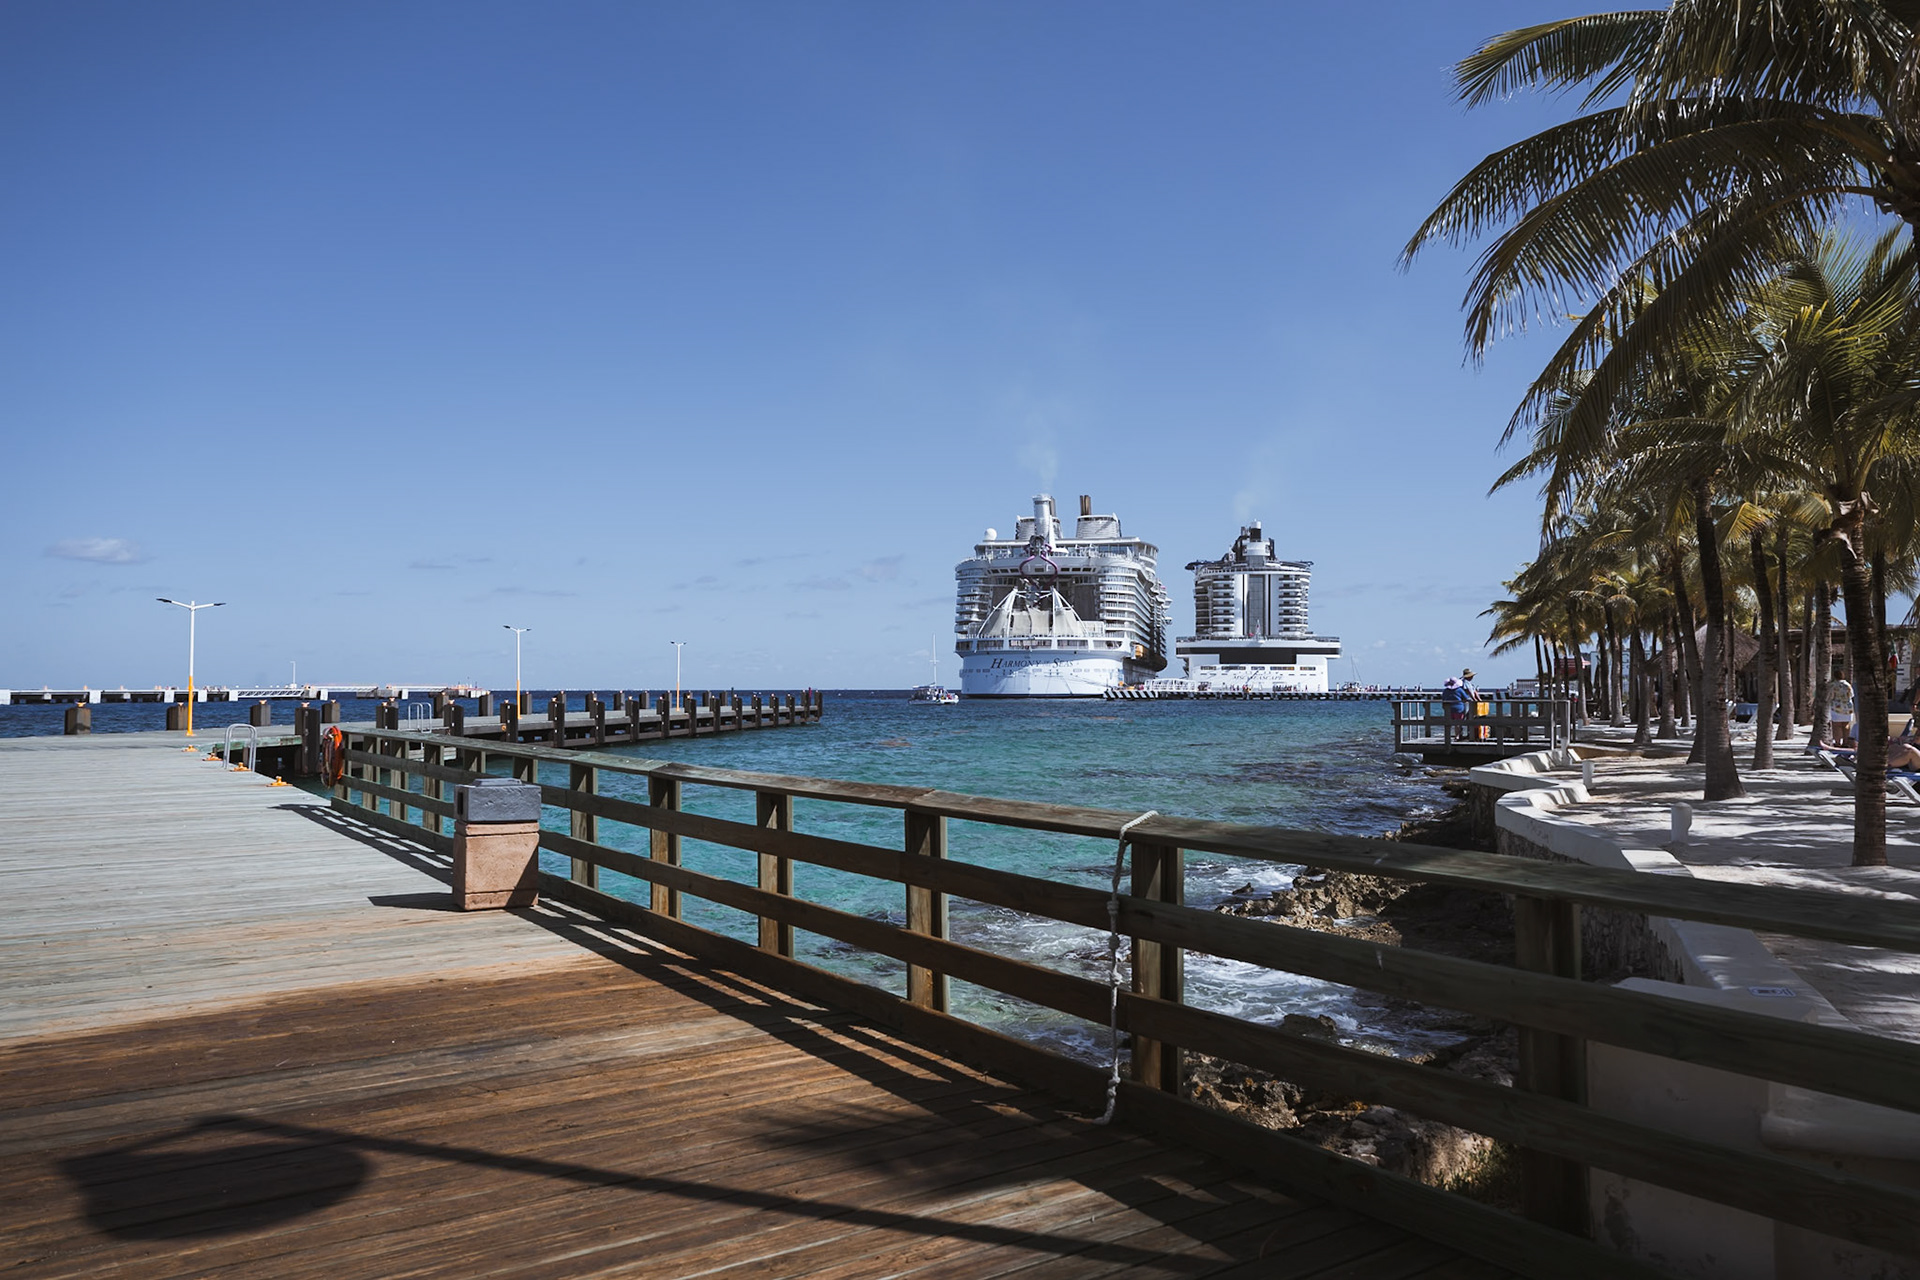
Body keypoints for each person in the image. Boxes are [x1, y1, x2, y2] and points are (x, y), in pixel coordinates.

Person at [1828, 675, 1856, 747]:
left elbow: (1831, 696)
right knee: (1846, 725)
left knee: (1837, 726)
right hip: (1847, 708)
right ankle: (1846, 742)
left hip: (1836, 708)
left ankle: (1837, 742)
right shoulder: (1848, 685)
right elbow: (1851, 695)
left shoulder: (1833, 685)